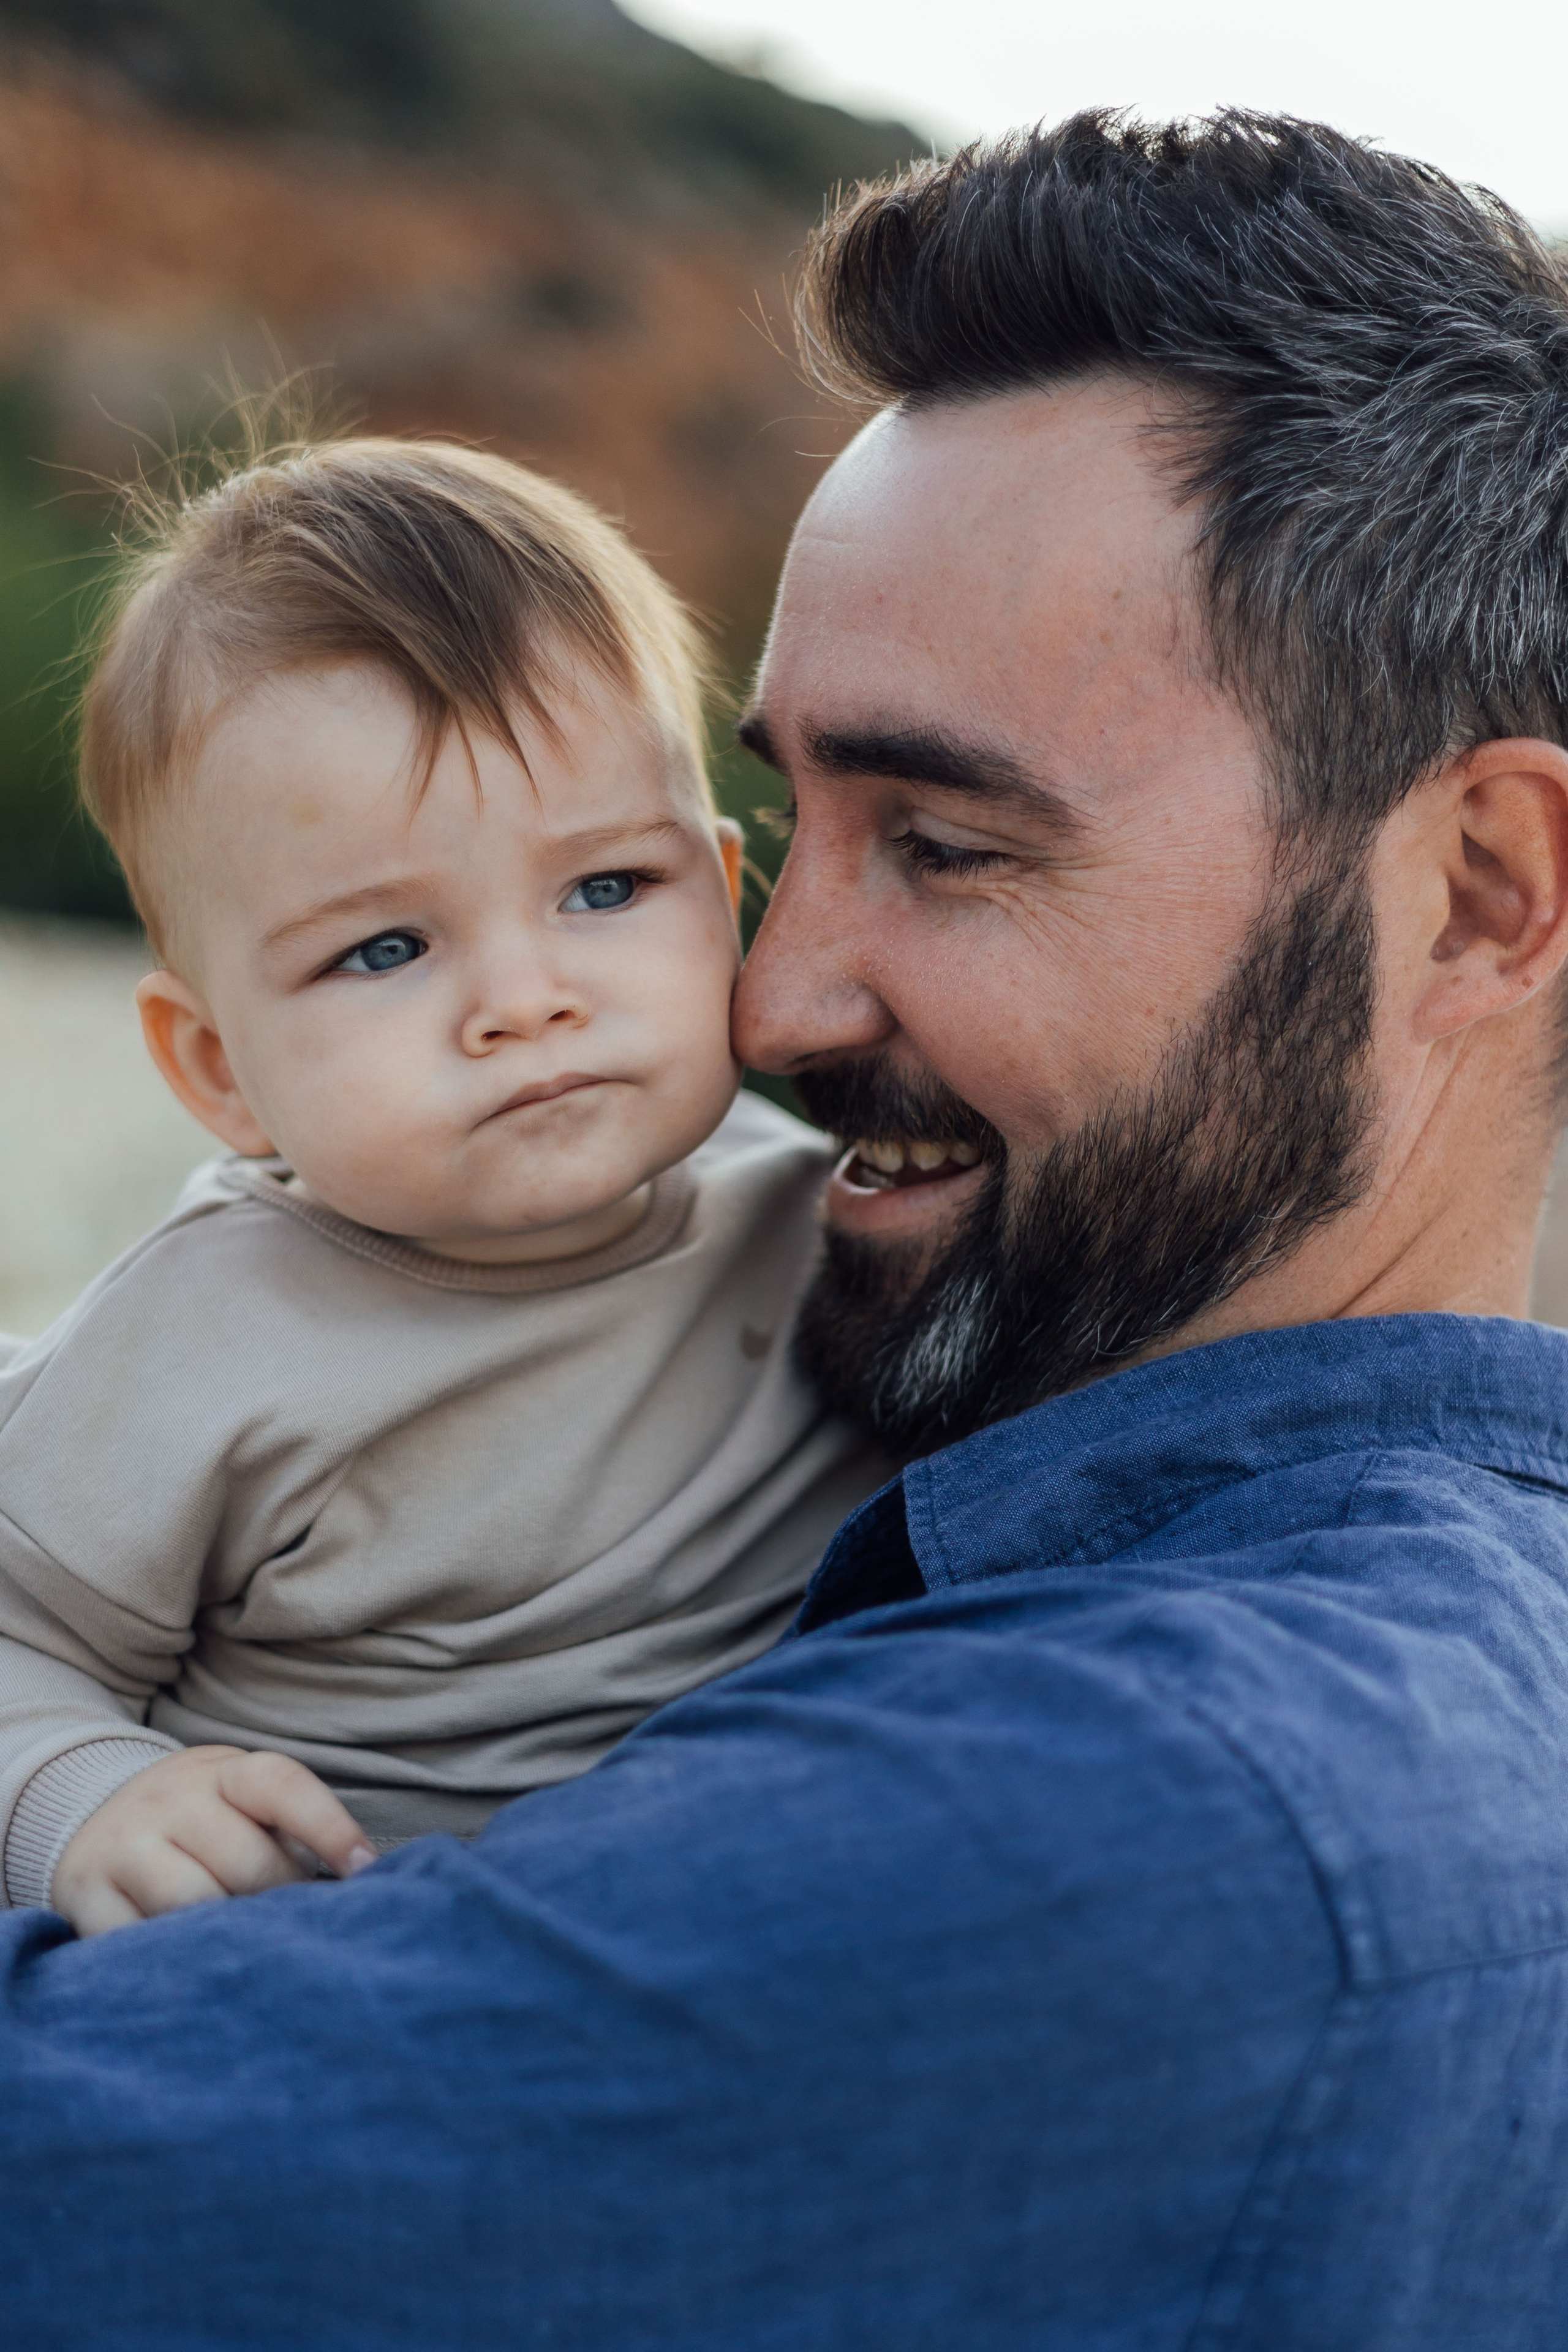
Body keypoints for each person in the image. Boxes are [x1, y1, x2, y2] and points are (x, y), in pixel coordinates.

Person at [4, 109, 1568, 2348]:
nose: (771, 1000)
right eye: (790, 819)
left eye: (946, 842)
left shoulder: (1147, 1808)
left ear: (1483, 894)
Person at [0, 437, 883, 1936]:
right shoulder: (208, 1335)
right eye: (386, 949)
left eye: (604, 890)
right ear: (216, 1067)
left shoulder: (827, 1223)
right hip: (321, 1938)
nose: (525, 1000)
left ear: (725, 893)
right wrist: (81, 1789)